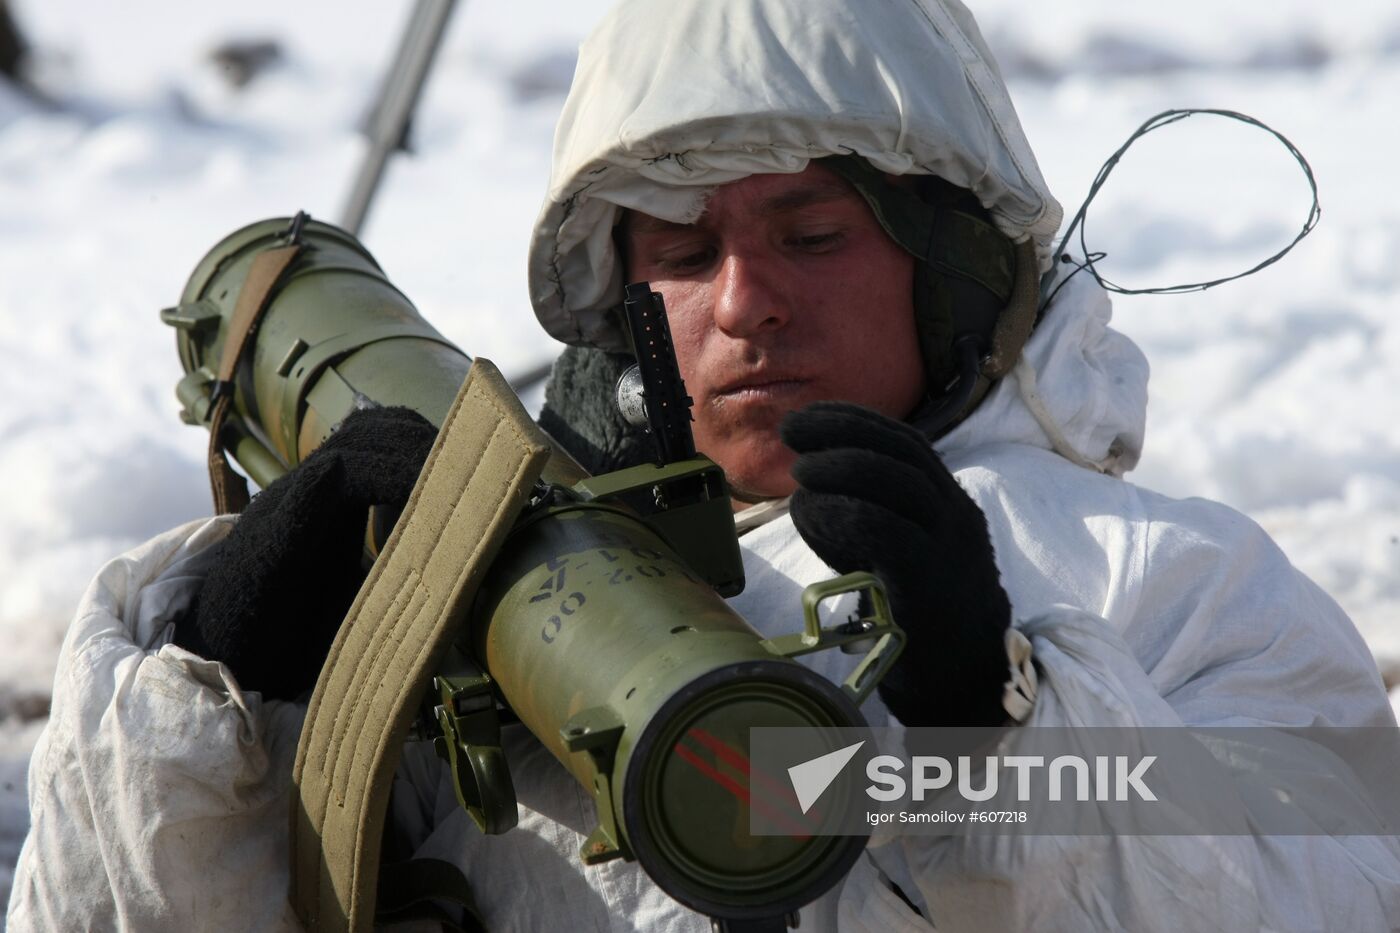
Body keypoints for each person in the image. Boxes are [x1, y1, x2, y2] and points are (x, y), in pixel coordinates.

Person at [9, 0, 1400, 931]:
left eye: (812, 236)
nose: (744, 305)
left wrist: (997, 728)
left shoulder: (1185, 592)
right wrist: (224, 684)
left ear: (950, 260)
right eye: (681, 254)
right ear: (624, 307)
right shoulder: (493, 615)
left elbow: (1332, 890)